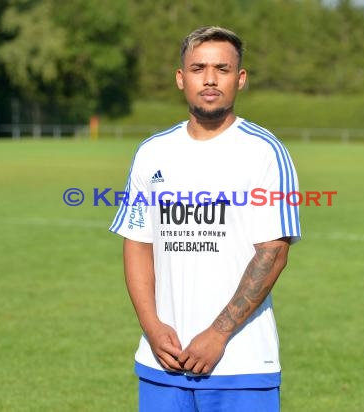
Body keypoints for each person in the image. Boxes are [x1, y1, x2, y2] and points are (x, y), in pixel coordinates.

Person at [109, 26, 301, 412]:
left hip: (240, 366)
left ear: (240, 79)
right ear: (181, 78)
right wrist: (151, 326)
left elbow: (273, 253)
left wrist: (218, 334)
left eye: (222, 69)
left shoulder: (265, 153)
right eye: (198, 68)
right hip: (162, 364)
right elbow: (137, 244)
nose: (210, 79)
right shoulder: (152, 152)